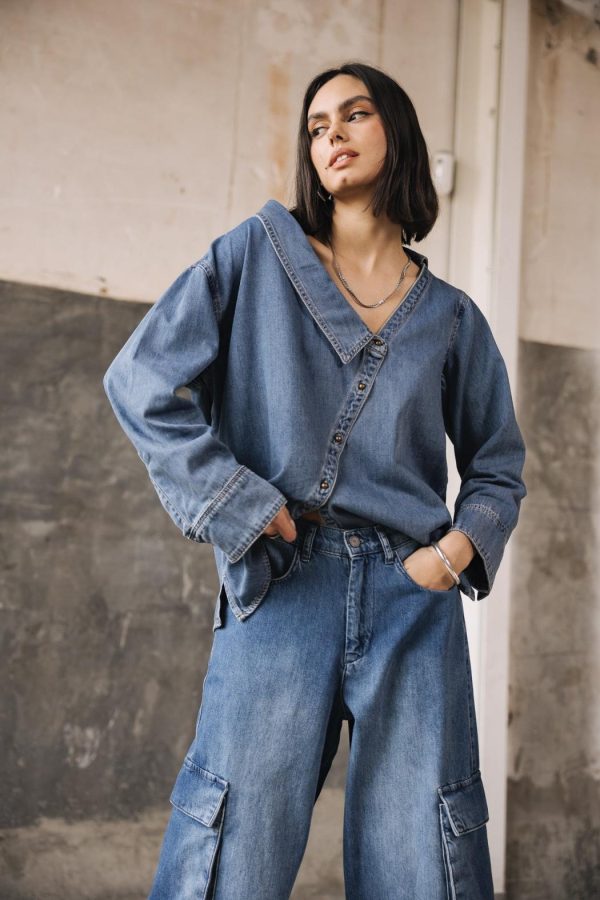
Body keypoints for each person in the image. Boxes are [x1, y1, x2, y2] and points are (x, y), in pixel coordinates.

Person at [103, 60, 526, 900]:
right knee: (231, 855)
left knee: (423, 857)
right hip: (282, 585)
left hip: (412, 601)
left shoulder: (450, 317)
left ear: (397, 132)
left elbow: (497, 465)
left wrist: (449, 558)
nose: (332, 134)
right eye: (317, 125)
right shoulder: (255, 257)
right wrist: (239, 505)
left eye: (355, 115)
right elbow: (140, 381)